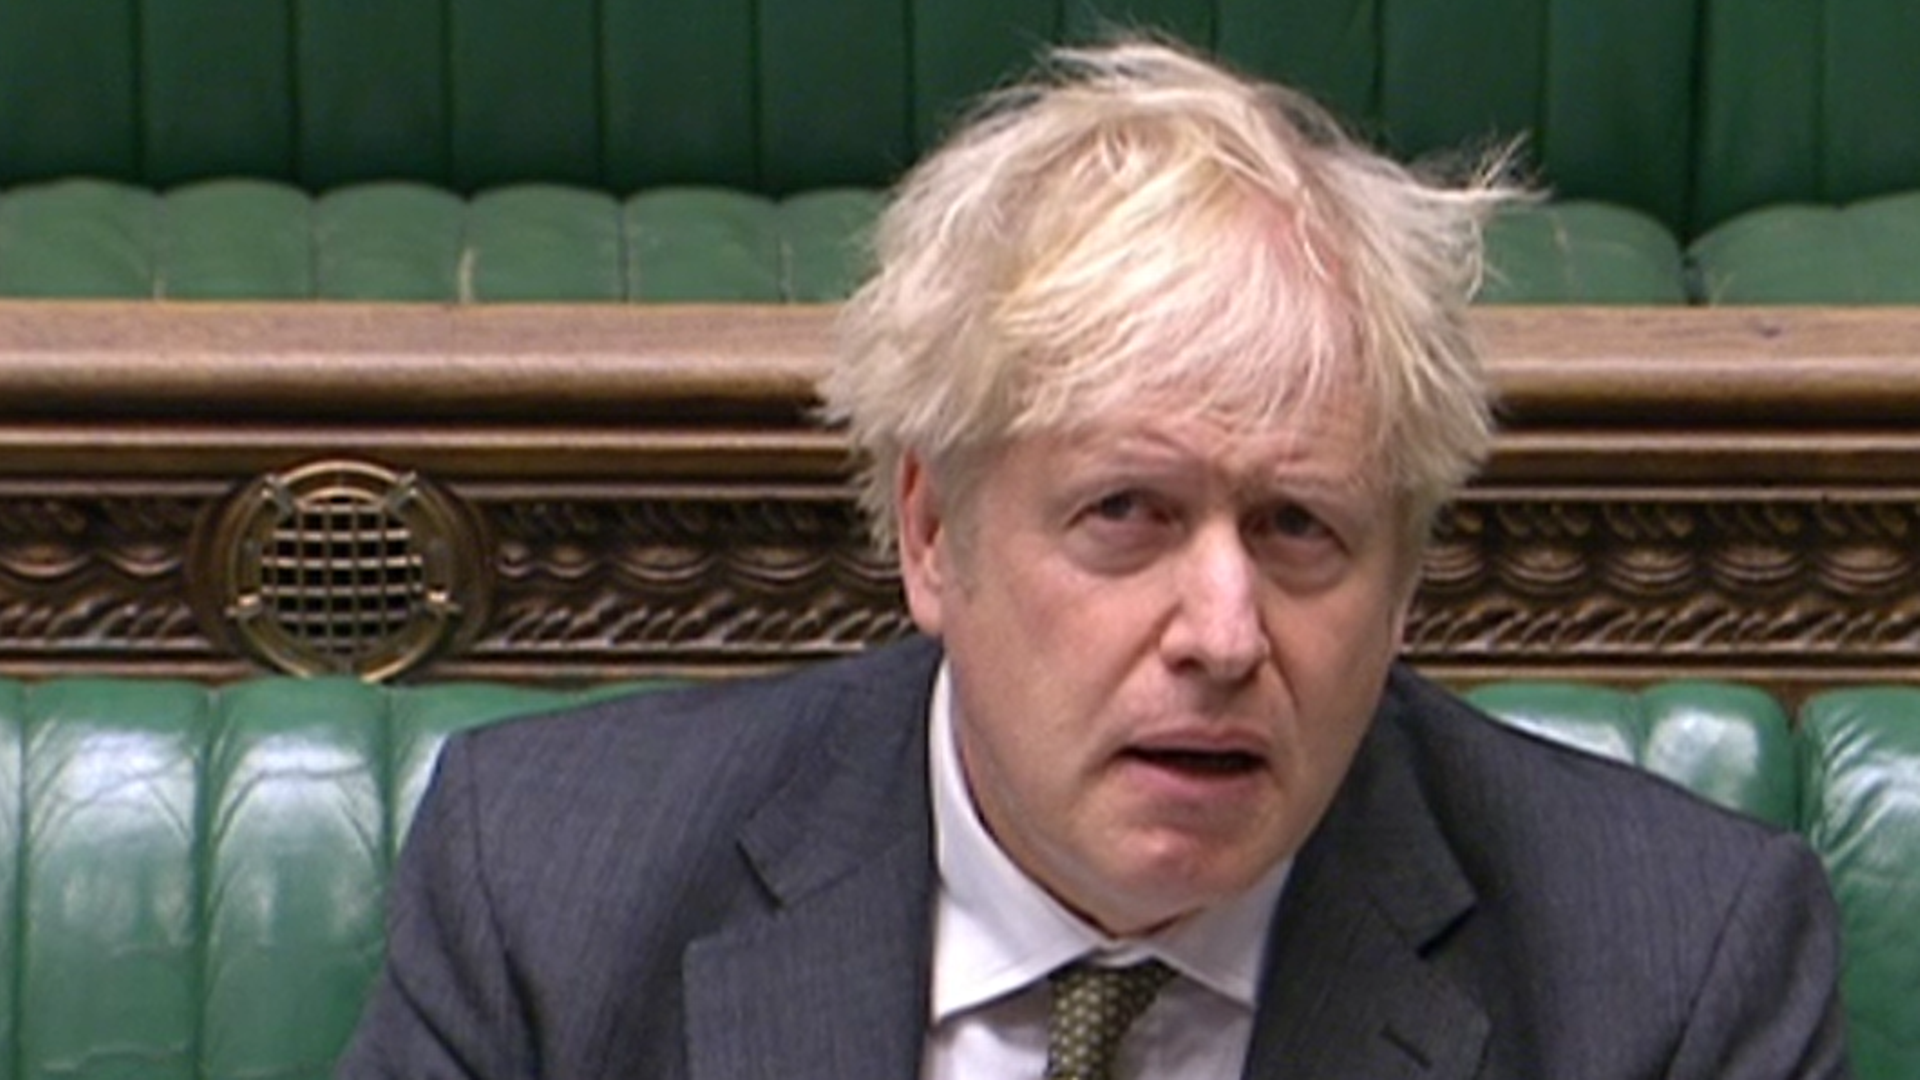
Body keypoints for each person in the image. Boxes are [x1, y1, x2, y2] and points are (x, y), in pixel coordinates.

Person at [337, 39, 1849, 1079]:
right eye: (1126, 513)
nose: (1221, 630)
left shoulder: (1674, 976)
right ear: (933, 534)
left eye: (1300, 529)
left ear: (1402, 588)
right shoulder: (548, 887)